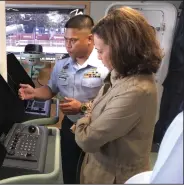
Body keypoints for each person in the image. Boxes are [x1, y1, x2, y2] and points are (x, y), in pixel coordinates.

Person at [72, 7, 163, 184]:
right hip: (97, 168)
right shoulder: (119, 73)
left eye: (100, 51)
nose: (98, 57)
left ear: (121, 50)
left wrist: (83, 120)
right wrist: (90, 113)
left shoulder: (137, 90)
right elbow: (99, 105)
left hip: (115, 177)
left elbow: (88, 140)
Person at [18, 15, 108, 184]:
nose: (68, 45)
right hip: (69, 125)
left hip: (97, 128)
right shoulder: (62, 65)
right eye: (65, 40)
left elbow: (110, 103)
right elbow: (51, 89)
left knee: (95, 174)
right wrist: (34, 93)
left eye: (73, 40)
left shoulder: (105, 65)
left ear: (90, 39)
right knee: (69, 171)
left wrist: (81, 107)